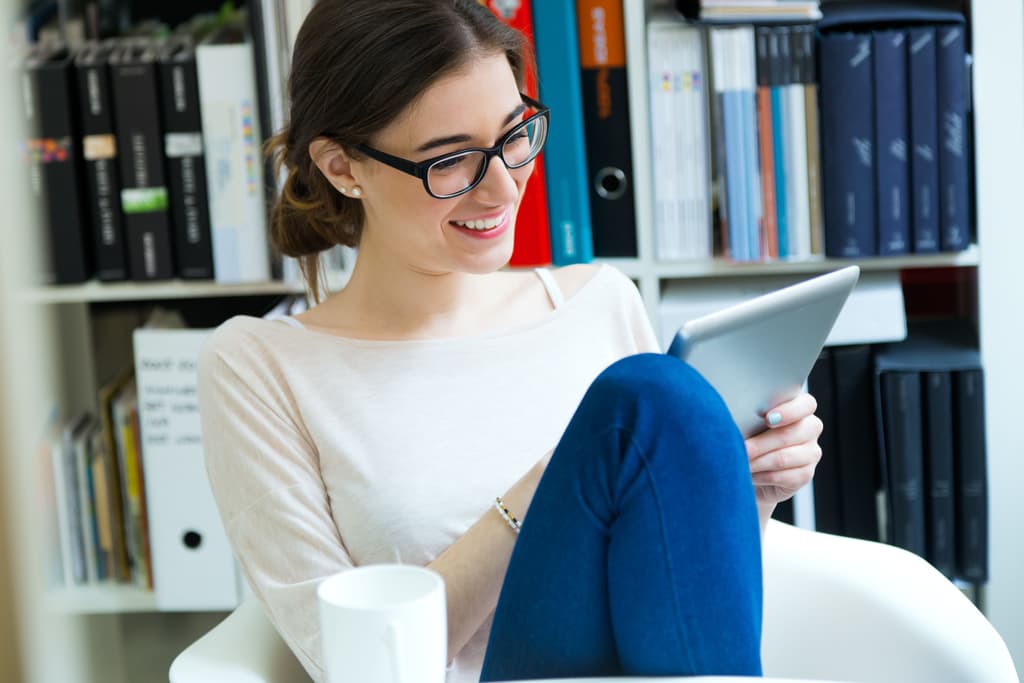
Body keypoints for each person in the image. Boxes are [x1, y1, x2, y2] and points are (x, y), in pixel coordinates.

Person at [197, 1, 823, 681]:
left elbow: (682, 601)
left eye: (514, 135)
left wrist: (752, 486)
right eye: (452, 160)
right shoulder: (261, 367)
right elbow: (347, 662)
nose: (502, 186)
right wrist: (547, 482)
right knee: (645, 398)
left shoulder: (599, 302)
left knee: (656, 399)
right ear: (344, 167)